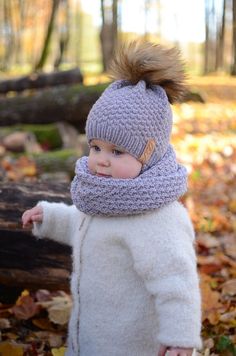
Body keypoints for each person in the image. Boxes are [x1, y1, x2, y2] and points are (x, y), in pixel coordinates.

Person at [22, 41, 202, 356]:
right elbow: (86, 227)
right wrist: (50, 218)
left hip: (129, 344)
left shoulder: (159, 219)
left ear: (148, 153)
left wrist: (179, 339)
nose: (102, 160)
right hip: (91, 336)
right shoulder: (108, 198)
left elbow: (177, 284)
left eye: (117, 151)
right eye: (96, 147)